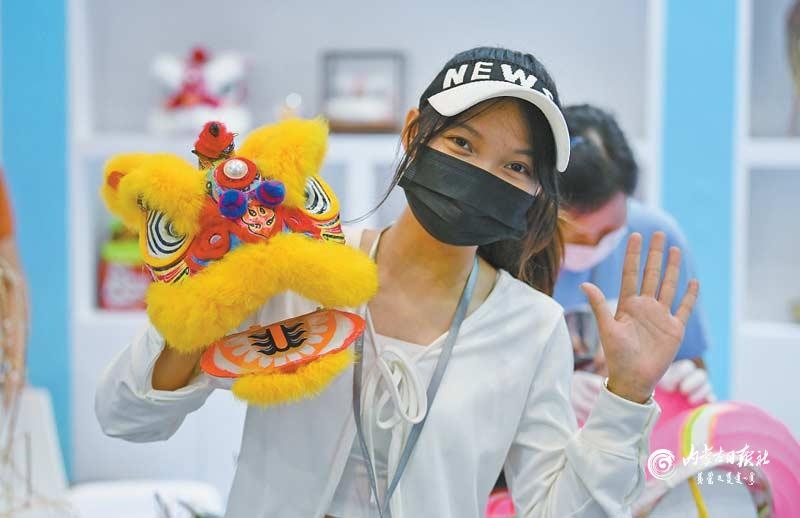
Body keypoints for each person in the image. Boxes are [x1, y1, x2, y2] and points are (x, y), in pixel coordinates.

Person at [96, 47, 698, 517]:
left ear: (536, 191)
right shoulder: (300, 265)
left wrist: (627, 395)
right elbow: (127, 417)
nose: (482, 174)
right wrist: (202, 304)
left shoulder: (532, 327)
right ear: (414, 133)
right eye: (462, 142)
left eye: (516, 166)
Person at [552, 105, 715, 426]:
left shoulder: (658, 239)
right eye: (576, 235)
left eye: (608, 232)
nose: (592, 245)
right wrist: (548, 390)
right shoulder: (510, 245)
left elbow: (691, 360)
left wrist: (675, 378)